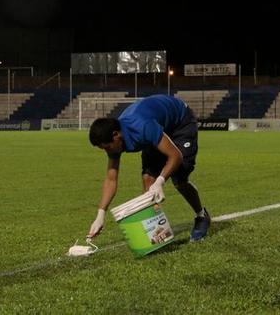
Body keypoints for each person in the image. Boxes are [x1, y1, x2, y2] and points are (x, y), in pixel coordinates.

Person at [87, 94, 211, 241]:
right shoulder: (116, 141)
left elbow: (176, 156)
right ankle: (154, 233)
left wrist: (160, 181)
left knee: (179, 178)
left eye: (107, 147)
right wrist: (100, 215)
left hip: (179, 122)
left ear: (116, 135)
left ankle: (202, 216)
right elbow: (111, 179)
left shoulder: (142, 127)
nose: (108, 152)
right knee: (148, 179)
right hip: (156, 128)